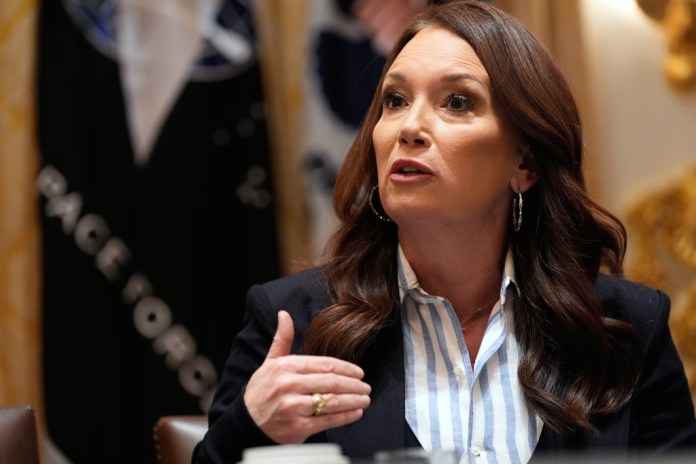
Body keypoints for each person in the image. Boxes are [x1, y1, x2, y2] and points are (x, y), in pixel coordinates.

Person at [193, 1, 696, 463]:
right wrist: (250, 425)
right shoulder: (294, 322)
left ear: (524, 164)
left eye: (456, 101)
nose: (409, 127)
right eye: (394, 100)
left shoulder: (624, 328)